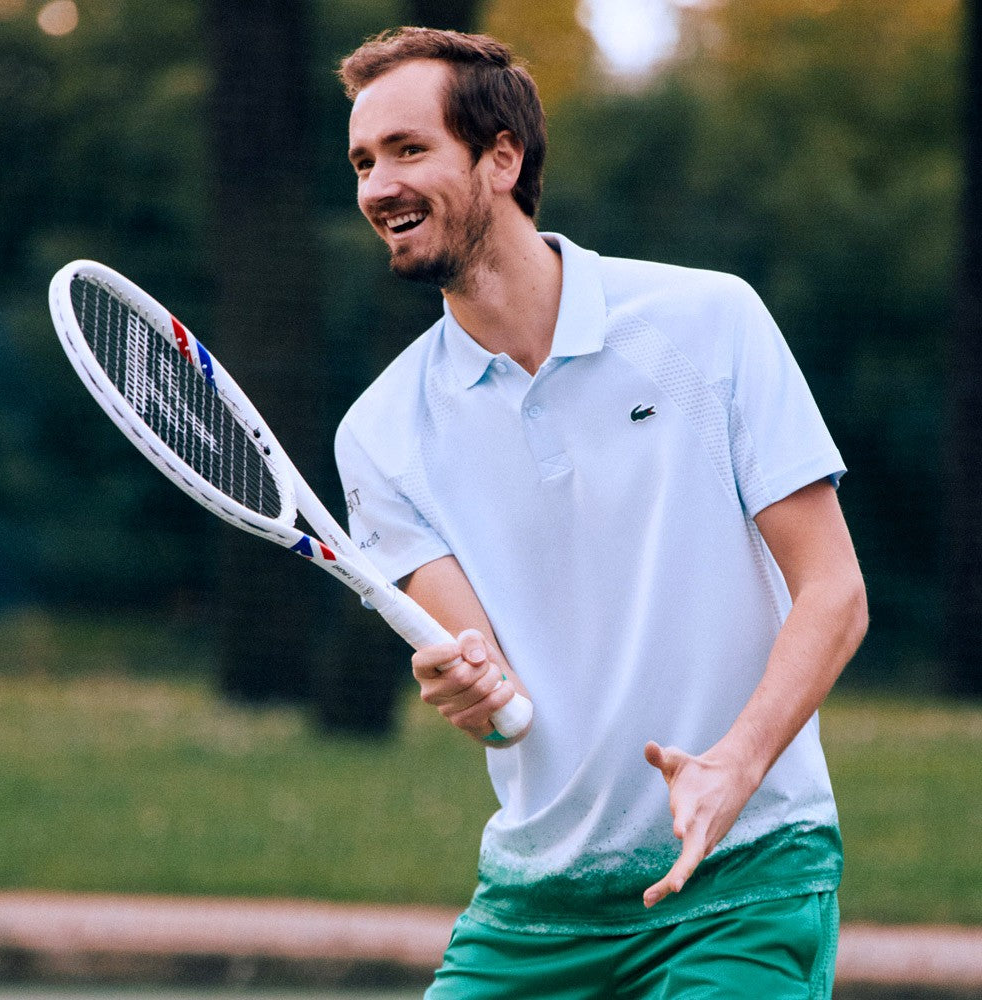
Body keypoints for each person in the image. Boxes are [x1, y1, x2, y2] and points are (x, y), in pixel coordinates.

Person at [335, 26, 868, 1000]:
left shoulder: (711, 323)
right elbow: (501, 705)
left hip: (745, 876)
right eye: (365, 161)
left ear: (502, 157)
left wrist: (732, 768)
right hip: (534, 911)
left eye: (409, 149)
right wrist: (474, 694)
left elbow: (833, 593)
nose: (379, 186)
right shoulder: (377, 432)